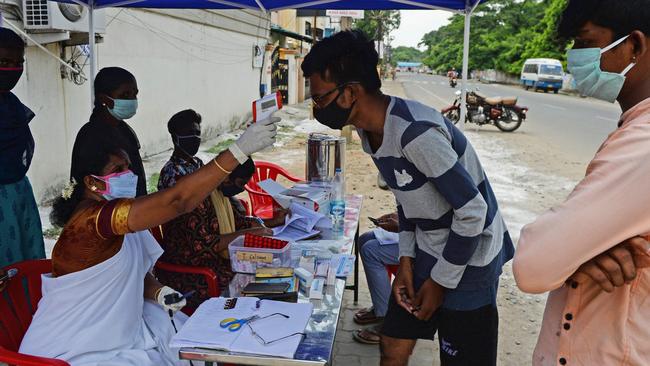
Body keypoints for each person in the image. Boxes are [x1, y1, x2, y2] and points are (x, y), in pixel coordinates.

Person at [302, 30, 514, 366]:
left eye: (320, 98)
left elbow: (473, 211)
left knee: (461, 358)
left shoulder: (416, 134)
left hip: (470, 257)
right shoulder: (369, 130)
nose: (316, 107)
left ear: (350, 93)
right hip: (430, 249)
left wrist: (440, 283)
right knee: (393, 342)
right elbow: (407, 199)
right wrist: (405, 261)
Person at [18, 111, 277, 364]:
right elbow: (177, 201)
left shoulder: (118, 216)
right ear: (92, 182)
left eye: (129, 166)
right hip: (74, 348)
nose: (128, 175)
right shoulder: (91, 221)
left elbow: (132, 272)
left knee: (188, 341)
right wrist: (238, 151)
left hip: (118, 334)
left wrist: (160, 292)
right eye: (117, 169)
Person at [513, 1, 650, 365]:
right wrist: (583, 250)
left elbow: (533, 264)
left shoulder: (643, 144)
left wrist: (572, 251)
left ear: (634, 46)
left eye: (584, 42)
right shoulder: (633, 128)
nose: (575, 57)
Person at [156, 109, 286, 306]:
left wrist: (268, 223)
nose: (196, 138)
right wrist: (252, 232)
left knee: (273, 271)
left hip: (211, 256)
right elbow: (205, 244)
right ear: (175, 137)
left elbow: (233, 220)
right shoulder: (176, 178)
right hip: (190, 266)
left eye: (198, 133)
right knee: (259, 283)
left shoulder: (197, 165)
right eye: (190, 134)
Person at [0, 28, 45, 281]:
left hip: (19, 194)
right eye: (3, 62)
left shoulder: (12, 105)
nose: (12, 70)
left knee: (25, 267)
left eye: (18, 63)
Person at [71, 67, 147, 197]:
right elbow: (83, 186)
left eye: (135, 94)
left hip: (134, 205)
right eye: (125, 95)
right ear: (103, 99)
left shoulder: (124, 130)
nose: (132, 100)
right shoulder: (90, 136)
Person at [353, 212, 400, 345]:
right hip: (414, 233)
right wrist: (397, 216)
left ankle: (388, 321)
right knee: (364, 239)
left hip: (431, 242)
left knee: (370, 250)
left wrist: (402, 226)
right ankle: (381, 307)